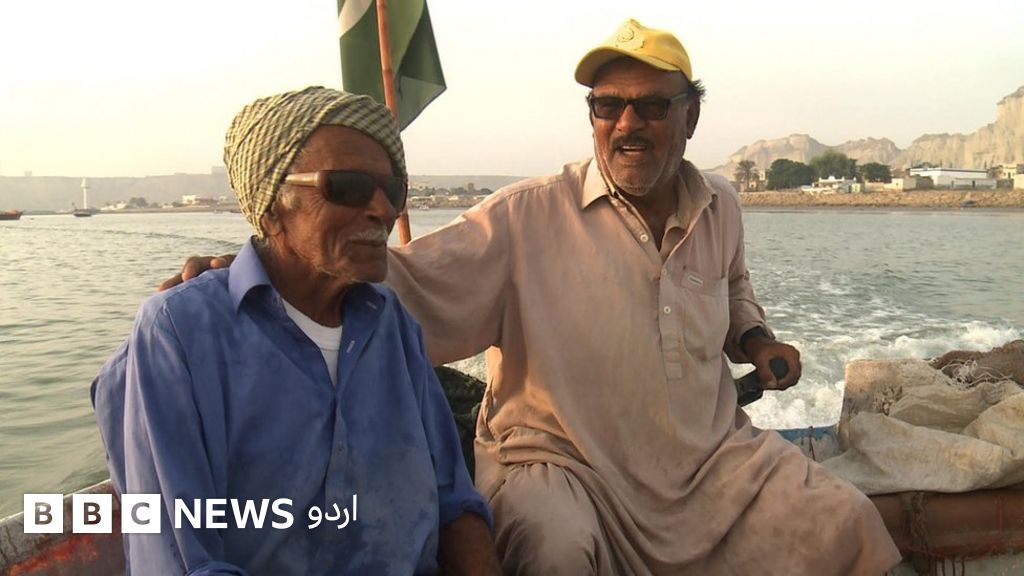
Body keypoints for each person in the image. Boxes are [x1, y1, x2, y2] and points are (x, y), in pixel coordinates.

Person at [160, 20, 902, 575]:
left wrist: (757, 343)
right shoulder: (524, 216)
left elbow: (734, 293)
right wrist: (270, 265)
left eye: (651, 107)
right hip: (562, 465)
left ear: (691, 117)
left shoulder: (721, 205)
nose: (627, 125)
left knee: (846, 523)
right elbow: (400, 281)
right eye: (607, 106)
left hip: (710, 460)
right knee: (553, 547)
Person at [91, 87, 501, 576]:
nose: (382, 209)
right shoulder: (180, 332)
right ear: (271, 208)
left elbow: (453, 502)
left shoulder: (391, 324)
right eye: (347, 186)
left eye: (393, 191)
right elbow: (182, 559)